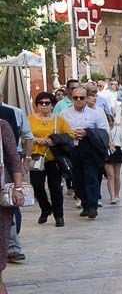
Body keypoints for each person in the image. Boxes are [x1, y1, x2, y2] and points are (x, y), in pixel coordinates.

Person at [60, 86, 108, 220]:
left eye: (82, 97)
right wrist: (70, 134)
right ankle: (85, 204)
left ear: (86, 98)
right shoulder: (64, 113)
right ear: (71, 98)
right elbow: (59, 131)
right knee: (77, 179)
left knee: (91, 177)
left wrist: (88, 132)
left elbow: (103, 131)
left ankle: (93, 206)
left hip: (89, 148)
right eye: (76, 98)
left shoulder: (95, 114)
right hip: (72, 149)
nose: (79, 100)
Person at [28, 92, 66, 227]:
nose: (44, 105)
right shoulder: (30, 119)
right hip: (36, 157)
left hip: (53, 158)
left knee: (55, 188)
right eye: (41, 103)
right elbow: (23, 137)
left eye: (47, 103)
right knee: (37, 186)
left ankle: (59, 215)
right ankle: (45, 208)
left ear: (52, 105)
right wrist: (36, 140)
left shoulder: (59, 120)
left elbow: (69, 136)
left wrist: (54, 141)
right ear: (37, 105)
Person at [0, 120, 24, 294]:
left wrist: (18, 188)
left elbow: (14, 158)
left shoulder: (2, 126)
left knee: (2, 234)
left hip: (0, 188)